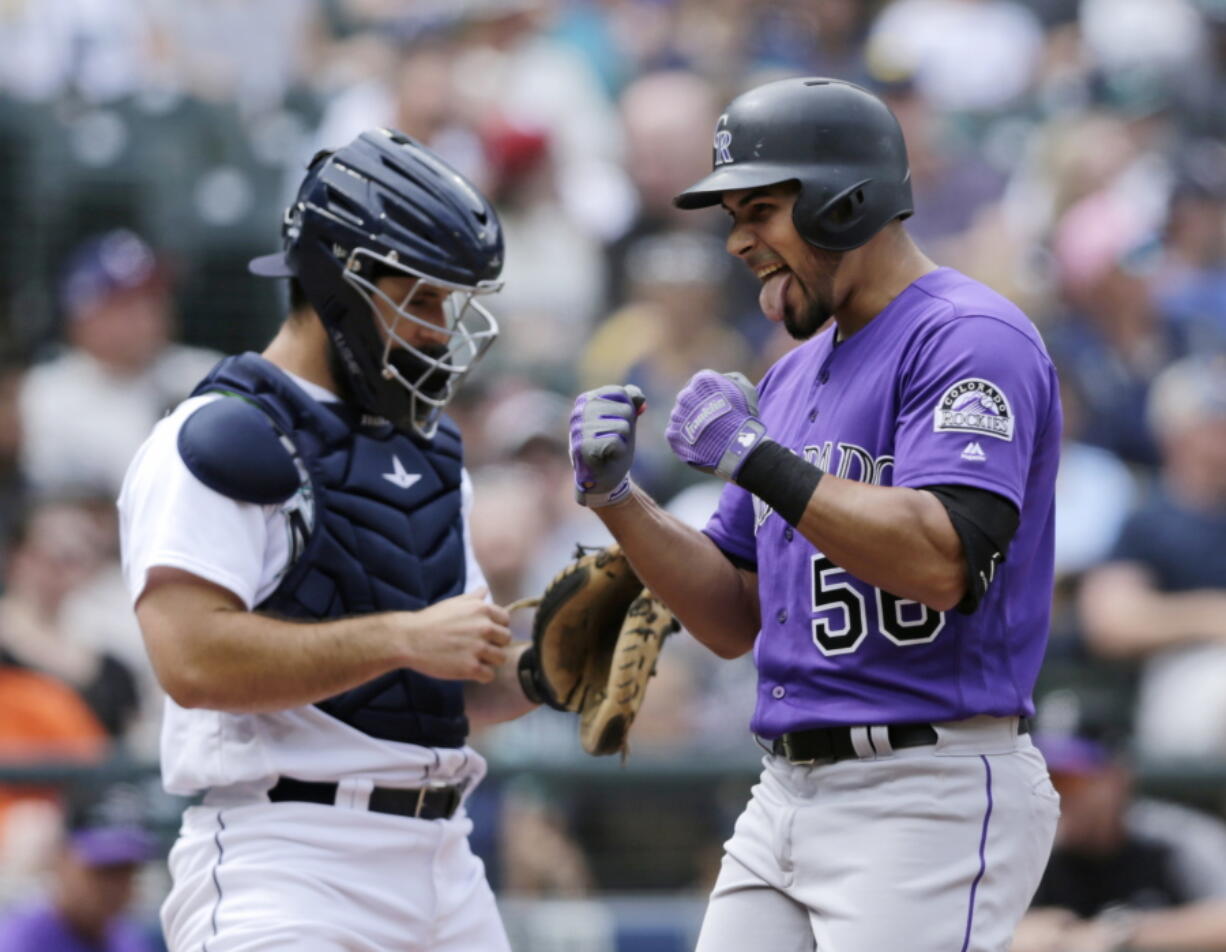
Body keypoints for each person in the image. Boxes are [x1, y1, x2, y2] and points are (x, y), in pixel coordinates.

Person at [568, 77, 1062, 951]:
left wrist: (756, 457)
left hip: (929, 785)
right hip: (787, 792)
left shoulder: (969, 336)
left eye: (760, 209)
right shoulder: (794, 375)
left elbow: (944, 560)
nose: (738, 241)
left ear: (847, 201)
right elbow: (729, 617)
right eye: (733, 215)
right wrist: (620, 501)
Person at [117, 129, 540, 951]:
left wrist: (555, 668)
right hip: (289, 863)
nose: (436, 330)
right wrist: (405, 638)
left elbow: (441, 680)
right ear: (334, 281)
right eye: (417, 298)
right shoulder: (220, 436)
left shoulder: (430, 451)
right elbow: (192, 661)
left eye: (446, 304)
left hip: (446, 860)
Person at [1079, 354, 1226, 757]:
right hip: (1188, 674)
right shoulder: (1150, 520)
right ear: (1176, 434)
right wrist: (1211, 614)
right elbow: (1111, 622)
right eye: (1214, 422)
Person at [1012, 696, 1226, 952]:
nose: (1057, 792)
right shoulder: (1024, 848)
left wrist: (1121, 933)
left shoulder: (1173, 840)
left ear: (1117, 777)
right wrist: (1014, 936)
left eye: (1072, 779)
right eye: (1045, 776)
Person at [19, 229, 219, 498]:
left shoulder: (205, 374)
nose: (148, 314)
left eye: (155, 297)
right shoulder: (43, 395)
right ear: (83, 315)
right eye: (128, 302)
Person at [0, 783, 160, 952]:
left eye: (126, 871)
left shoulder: (127, 939)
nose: (113, 887)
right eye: (103, 871)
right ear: (61, 859)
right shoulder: (19, 941)